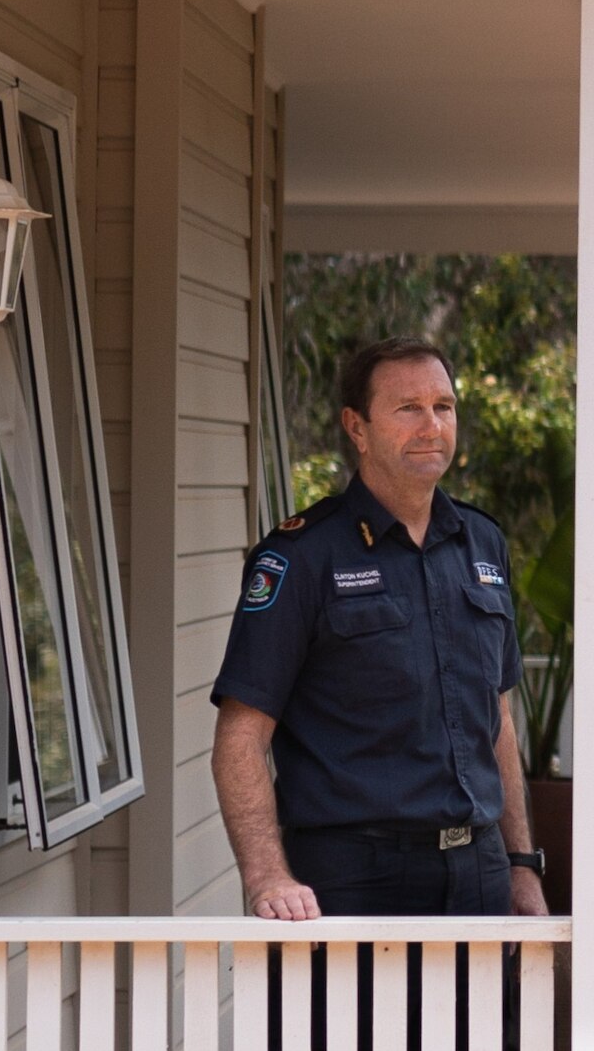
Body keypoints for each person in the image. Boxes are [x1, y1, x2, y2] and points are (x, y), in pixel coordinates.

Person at [213, 336, 546, 919]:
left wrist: (521, 866)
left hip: (479, 874)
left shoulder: (481, 543)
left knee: (488, 1017)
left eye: (443, 406)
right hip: (353, 880)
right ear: (357, 427)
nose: (431, 425)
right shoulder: (302, 557)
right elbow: (240, 738)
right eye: (407, 408)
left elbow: (498, 719)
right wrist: (268, 877)